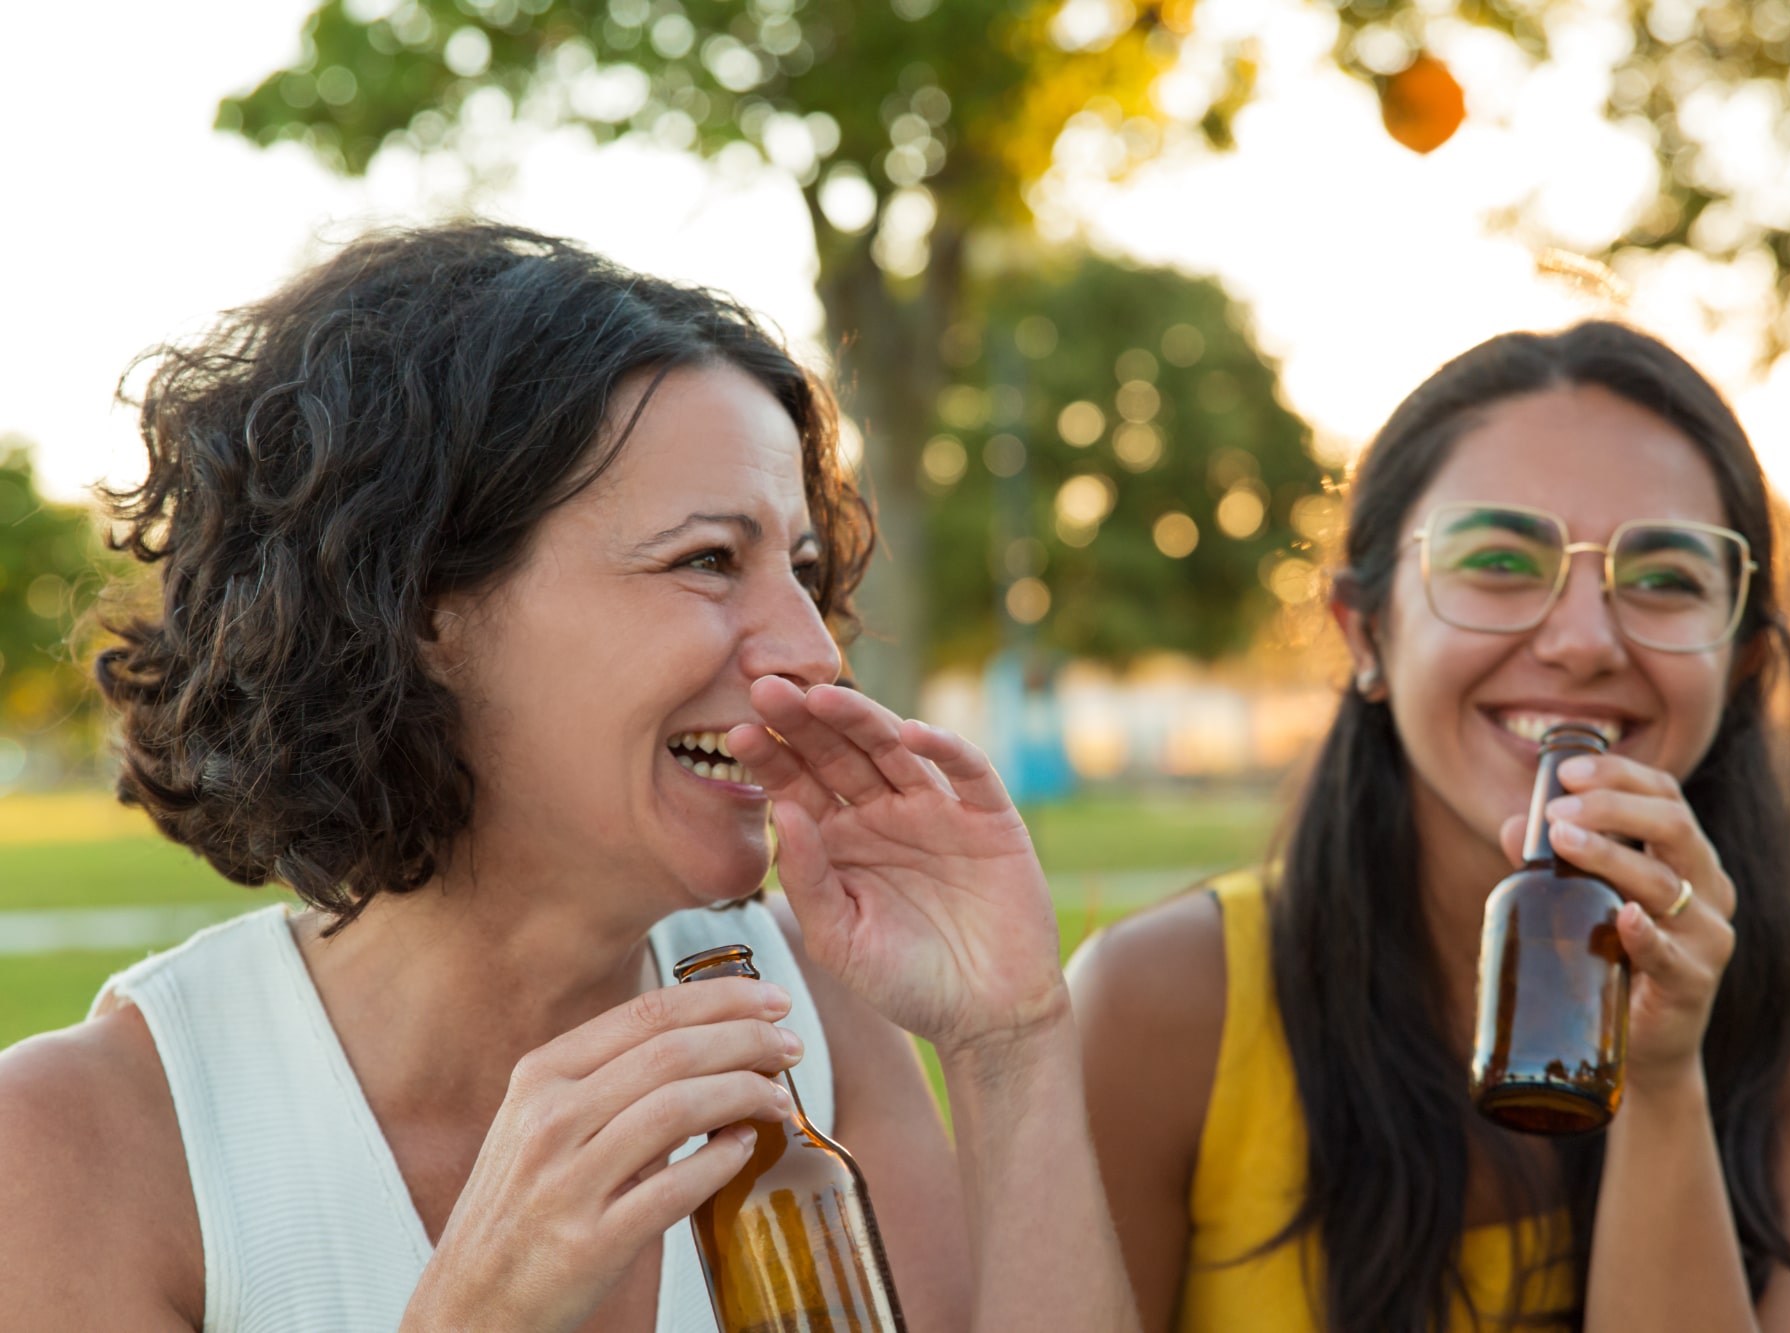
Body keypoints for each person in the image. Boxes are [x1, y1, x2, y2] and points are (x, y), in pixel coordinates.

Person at [0, 222, 1138, 1332]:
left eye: (800, 568)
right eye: (706, 559)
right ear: (422, 606)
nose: (811, 650)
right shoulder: (75, 1143)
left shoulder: (810, 1019)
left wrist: (1009, 1038)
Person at [1069, 321, 1790, 1332]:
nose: (1582, 641)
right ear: (1366, 632)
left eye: (1663, 579)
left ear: (1740, 660)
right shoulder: (1157, 1006)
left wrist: (1663, 1080)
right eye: (1496, 560)